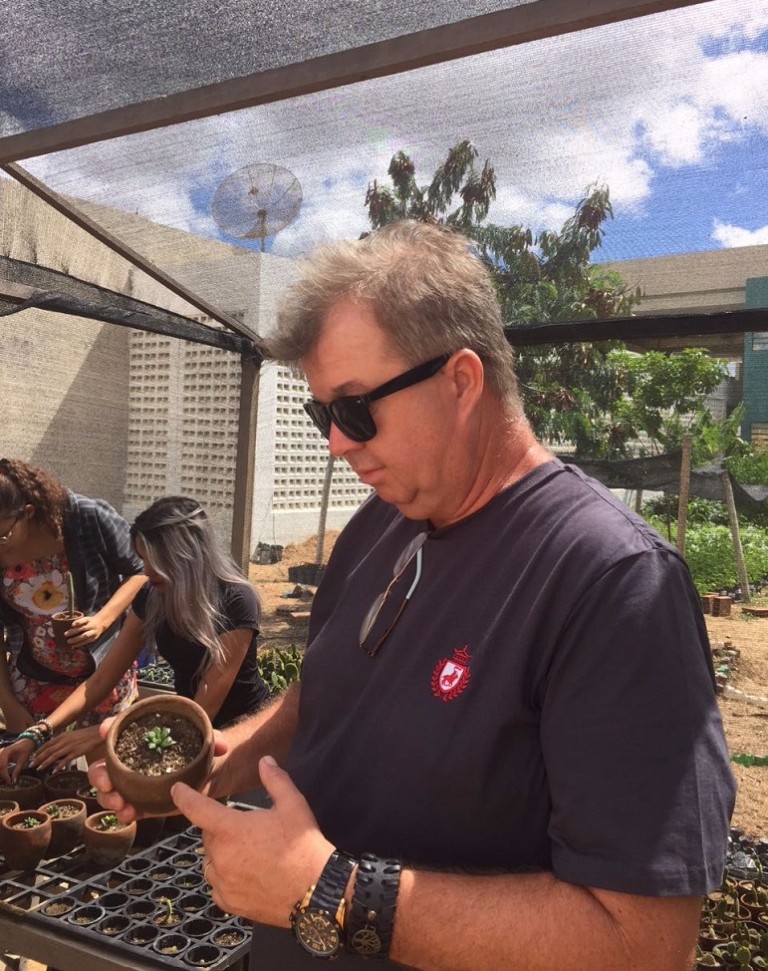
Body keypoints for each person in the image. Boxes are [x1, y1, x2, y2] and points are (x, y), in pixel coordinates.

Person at [91, 220, 735, 971]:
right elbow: (324, 692)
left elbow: (644, 945)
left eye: (355, 407)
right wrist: (220, 759)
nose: (336, 442)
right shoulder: (384, 521)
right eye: (322, 413)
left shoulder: (612, 581)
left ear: (461, 382)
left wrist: (334, 893)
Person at [0, 495, 269, 777]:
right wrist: (39, 732)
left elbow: (204, 707)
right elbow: (100, 681)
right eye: (144, 559)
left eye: (156, 561)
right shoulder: (153, 596)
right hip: (183, 726)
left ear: (188, 555)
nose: (147, 571)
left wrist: (103, 732)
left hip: (242, 731)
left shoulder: (236, 601)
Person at [0, 457, 145, 762]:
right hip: (36, 677)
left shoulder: (87, 518)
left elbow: (142, 571)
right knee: (35, 769)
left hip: (103, 673)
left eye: (2, 536)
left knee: (105, 771)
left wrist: (103, 619)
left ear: (28, 512)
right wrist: (8, 704)